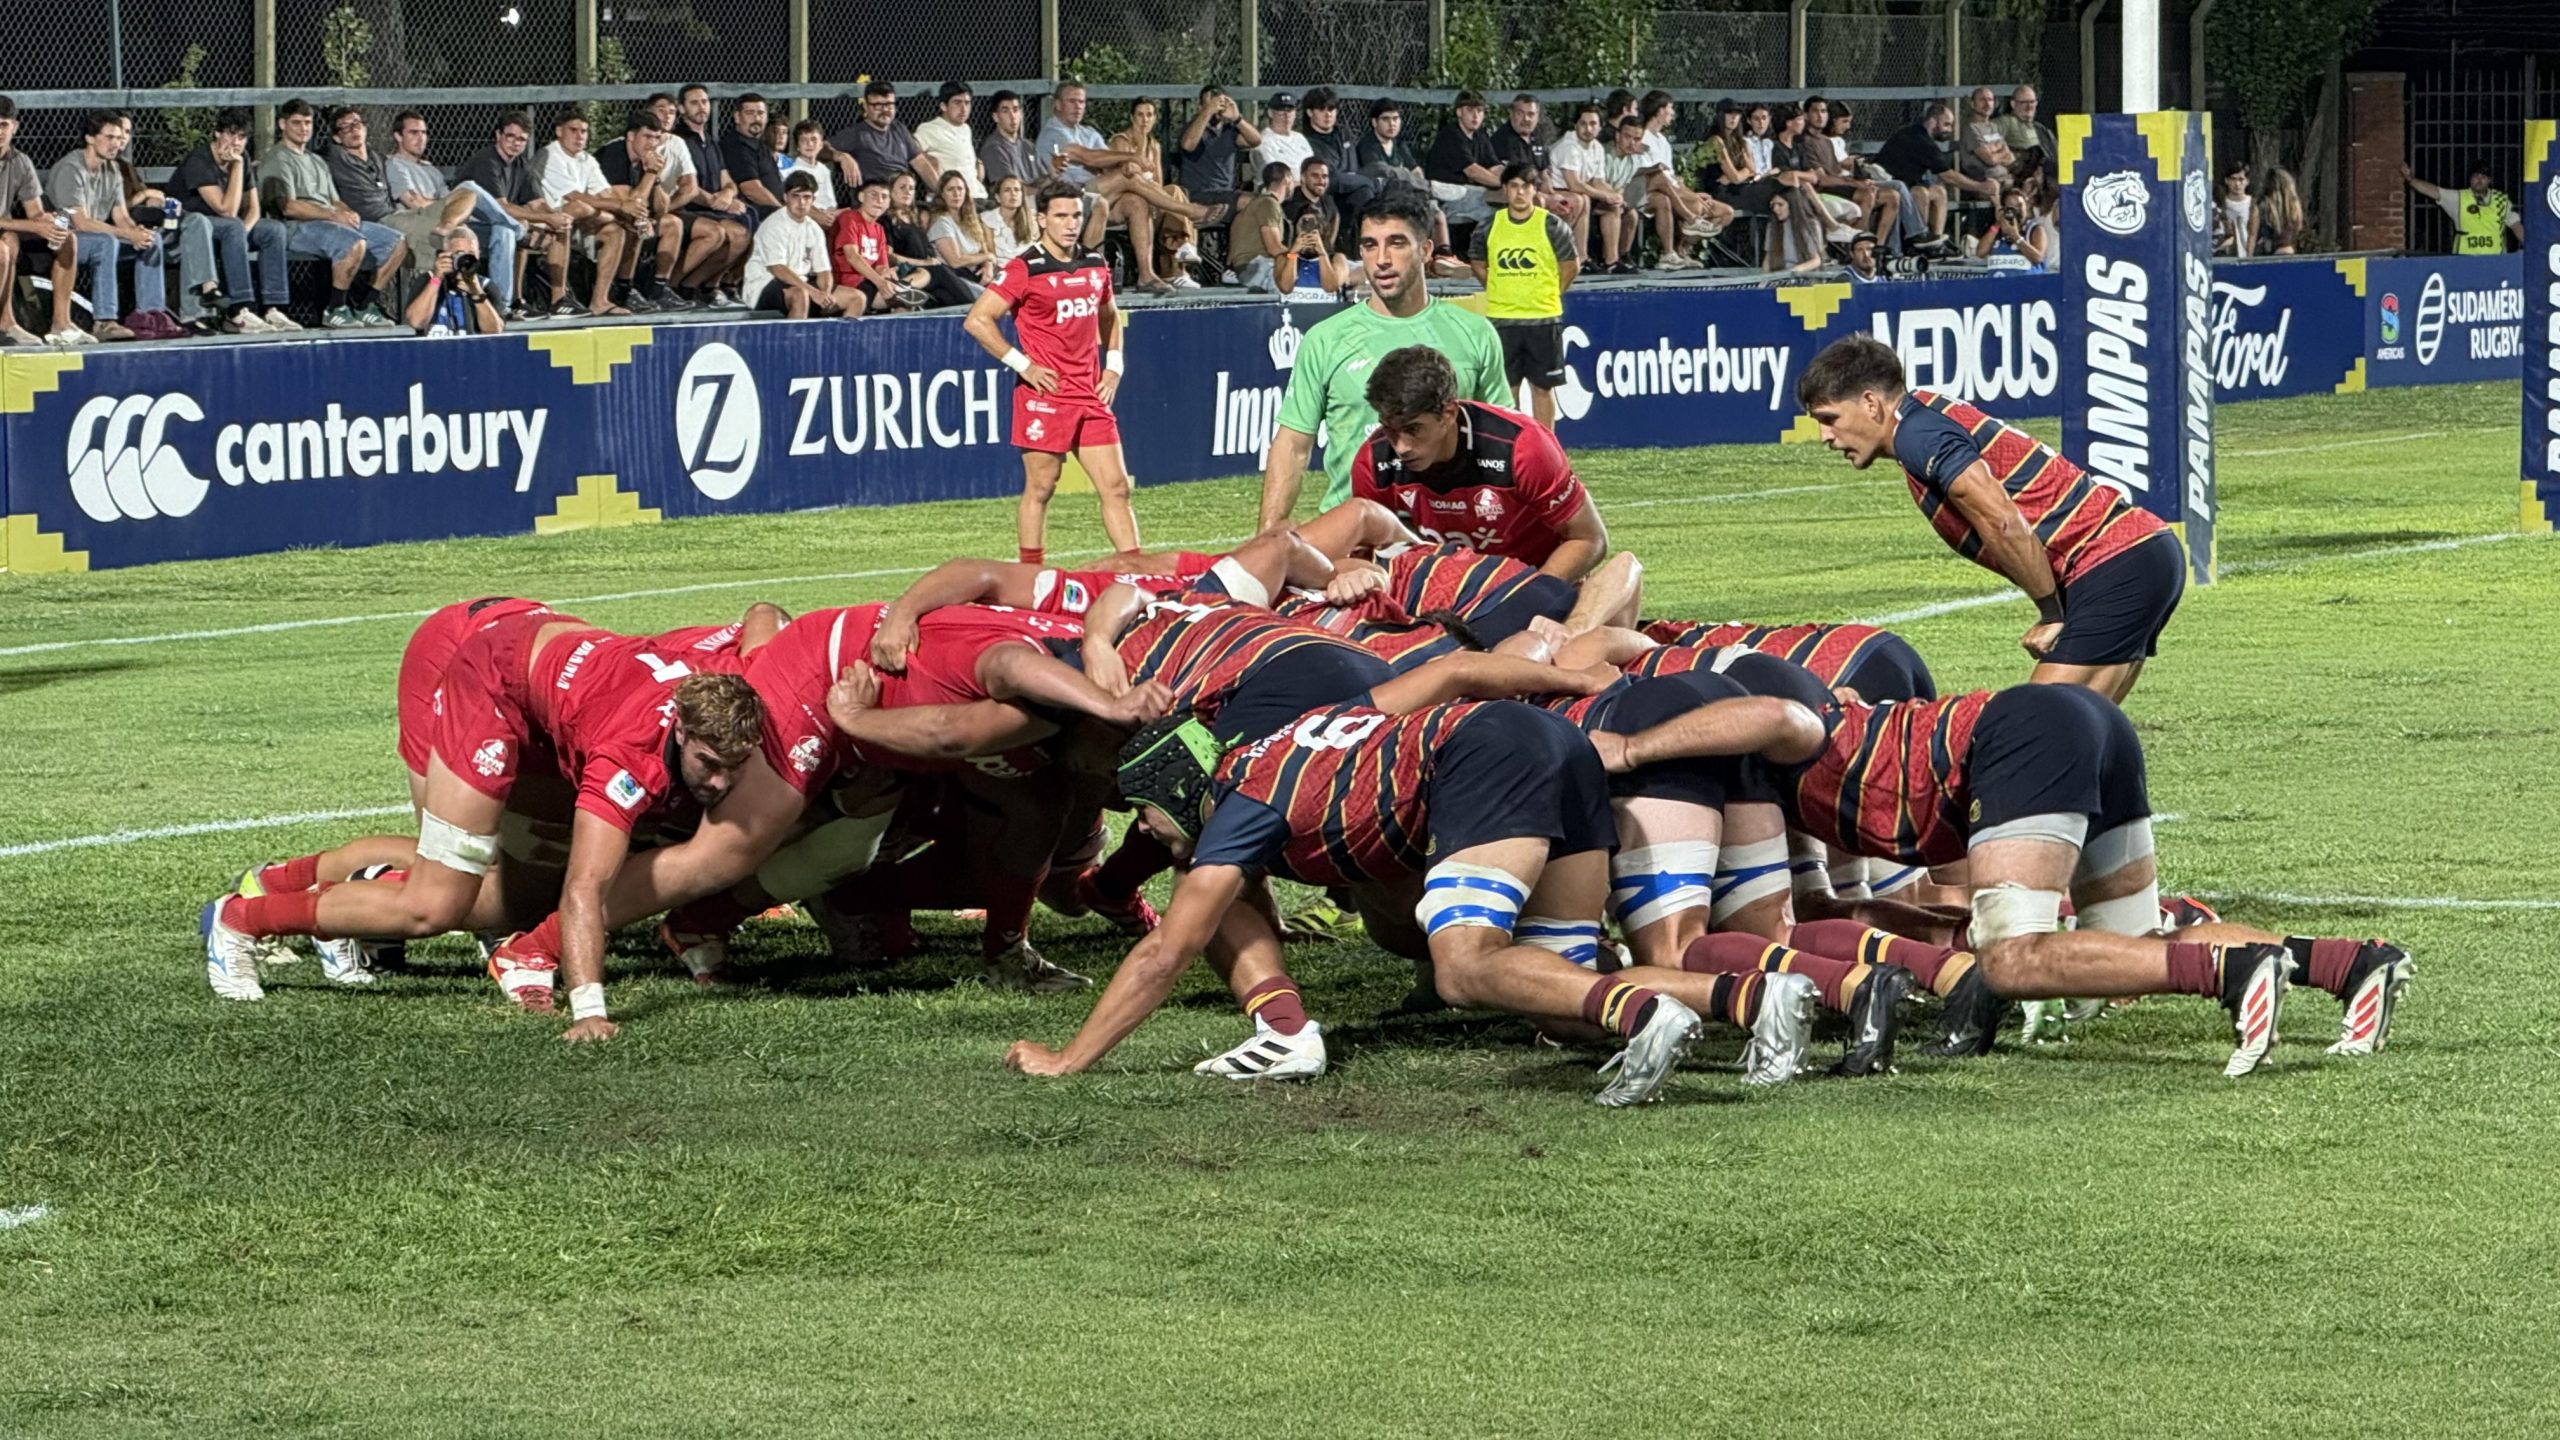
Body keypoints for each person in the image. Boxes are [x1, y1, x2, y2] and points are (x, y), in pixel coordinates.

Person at [1589, 681, 2413, 1075]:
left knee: (2013, 959)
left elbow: (1773, 713)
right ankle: (2349, 963)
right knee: (2129, 944)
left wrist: (1629, 750)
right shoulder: (1835, 760)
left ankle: (2233, 973)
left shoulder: (1798, 737)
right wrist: (1920, 930)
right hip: (2084, 724)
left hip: (2024, 733)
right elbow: (1828, 907)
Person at [1004, 700, 1716, 1106]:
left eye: (1145, 811)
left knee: (1464, 968)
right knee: (1565, 1009)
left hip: (1487, 753)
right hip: (1545, 736)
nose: (1145, 830)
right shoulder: (1270, 756)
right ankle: (1756, 996)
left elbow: (1167, 951)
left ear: (1179, 787)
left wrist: (1070, 1059)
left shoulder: (1243, 803)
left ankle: (1645, 1012)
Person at [203, 613, 768, 1041]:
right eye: (708, 764)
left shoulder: (742, 682)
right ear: (681, 732)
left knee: (523, 892)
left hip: (548, 667)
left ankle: (361, 889)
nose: (721, 782)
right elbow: (586, 888)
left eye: (734, 766)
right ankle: (243, 918)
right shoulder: (627, 759)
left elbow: (764, 613)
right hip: (490, 679)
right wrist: (589, 1011)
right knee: (435, 903)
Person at [1795, 335, 2182, 701]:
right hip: (2137, 554)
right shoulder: (1922, 413)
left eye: (1830, 418)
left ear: (1870, 403)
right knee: (2083, 731)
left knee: (2036, 729)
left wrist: (2051, 613)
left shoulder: (1917, 435)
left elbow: (2001, 521)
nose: (1825, 436)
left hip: (2114, 562)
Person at [1257, 188, 1511, 527]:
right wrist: (1268, 532)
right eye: (1369, 245)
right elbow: (1293, 445)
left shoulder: (1474, 333)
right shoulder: (1326, 339)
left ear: (1425, 250)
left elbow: (1503, 441)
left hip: (1452, 537)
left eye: (1397, 243)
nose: (1382, 259)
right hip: (1353, 537)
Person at [963, 178, 1139, 565]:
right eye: (1061, 216)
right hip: (1046, 396)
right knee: (1042, 487)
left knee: (1116, 487)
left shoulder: (1095, 264)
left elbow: (1110, 316)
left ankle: (1136, 570)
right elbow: (977, 320)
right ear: (1042, 219)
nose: (1071, 224)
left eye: (1076, 215)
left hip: (1090, 394)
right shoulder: (1024, 268)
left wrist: (1113, 367)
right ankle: (1031, 576)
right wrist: (1024, 365)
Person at [1351, 344, 1607, 580]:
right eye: (1389, 429)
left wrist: (1530, 595)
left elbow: (1588, 538)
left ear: (1448, 414)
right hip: (1443, 593)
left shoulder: (1522, 448)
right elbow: (1365, 555)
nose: (1401, 447)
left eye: (1413, 429)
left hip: (1532, 582)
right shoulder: (1373, 462)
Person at [260, 99, 405, 329]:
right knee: (353, 242)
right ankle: (335, 308)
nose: (303, 128)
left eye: (307, 123)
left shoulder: (316, 160)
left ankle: (366, 305)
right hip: (296, 227)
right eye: (296, 123)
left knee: (396, 242)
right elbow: (287, 207)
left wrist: (348, 213)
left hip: (328, 222)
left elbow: (334, 200)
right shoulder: (278, 158)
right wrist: (331, 214)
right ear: (282, 125)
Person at [386, 110, 531, 315]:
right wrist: (452, 203)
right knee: (469, 188)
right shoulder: (395, 165)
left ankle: (502, 307)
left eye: (424, 132)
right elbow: (414, 203)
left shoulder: (431, 170)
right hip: (422, 221)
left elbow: (453, 202)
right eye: (413, 133)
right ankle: (519, 229)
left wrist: (455, 205)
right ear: (398, 136)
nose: (421, 138)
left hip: (450, 221)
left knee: (503, 232)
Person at [1468, 162, 1579, 427]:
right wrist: (1498, 288)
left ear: (1534, 190)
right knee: (1507, 389)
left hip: (1543, 319)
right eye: (1514, 186)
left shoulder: (1551, 225)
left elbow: (1570, 266)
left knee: (1542, 388)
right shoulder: (1488, 226)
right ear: (1505, 190)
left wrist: (1551, 293)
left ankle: (1545, 444)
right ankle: (1512, 444)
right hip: (1502, 319)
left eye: (1526, 187)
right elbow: (1478, 263)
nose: (1520, 192)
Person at [47, 111, 173, 340]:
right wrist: (126, 233)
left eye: (118, 137)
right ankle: (104, 321)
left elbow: (121, 216)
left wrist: (136, 232)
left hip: (97, 237)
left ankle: (150, 316)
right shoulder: (71, 169)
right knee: (106, 242)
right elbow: (80, 222)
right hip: (65, 240)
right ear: (90, 138)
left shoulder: (112, 169)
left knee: (151, 239)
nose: (116, 143)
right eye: (109, 137)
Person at [169, 109, 295, 334]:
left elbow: (254, 209)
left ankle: (272, 309)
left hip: (228, 229)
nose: (236, 142)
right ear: (217, 134)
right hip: (193, 228)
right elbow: (226, 210)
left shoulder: (242, 156)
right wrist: (236, 167)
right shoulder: (199, 160)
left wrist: (242, 233)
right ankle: (238, 309)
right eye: (230, 134)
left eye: (241, 137)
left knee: (273, 230)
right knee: (232, 225)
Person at [324, 107, 476, 286]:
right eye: (345, 127)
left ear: (365, 128)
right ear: (337, 138)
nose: (353, 129)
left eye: (357, 124)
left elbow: (398, 161)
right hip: (379, 220)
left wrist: (420, 164)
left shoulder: (377, 158)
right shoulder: (337, 157)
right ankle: (463, 287)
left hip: (401, 215)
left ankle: (447, 226)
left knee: (468, 192)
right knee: (459, 238)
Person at [459, 111, 577, 319]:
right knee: (510, 227)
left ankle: (554, 301)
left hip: (499, 227)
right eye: (510, 136)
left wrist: (556, 218)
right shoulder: (487, 161)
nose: (515, 143)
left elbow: (538, 203)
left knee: (512, 230)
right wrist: (543, 220)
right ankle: (505, 306)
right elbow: (501, 207)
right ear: (498, 135)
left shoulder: (521, 164)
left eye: (521, 139)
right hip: (467, 229)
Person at [530, 111, 631, 317]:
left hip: (581, 222)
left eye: (584, 131)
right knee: (573, 212)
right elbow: (575, 198)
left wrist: (626, 211)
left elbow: (606, 194)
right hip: (546, 220)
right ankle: (558, 299)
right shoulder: (549, 155)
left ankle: (600, 301)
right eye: (574, 130)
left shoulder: (587, 160)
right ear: (559, 131)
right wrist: (619, 208)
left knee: (615, 231)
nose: (580, 136)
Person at [0, 95, 82, 346]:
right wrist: (34, 225)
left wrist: (50, 221)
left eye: (3, 125)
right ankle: (6, 323)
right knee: (5, 247)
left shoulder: (20, 161)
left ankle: (61, 324)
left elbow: (35, 212)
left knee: (67, 238)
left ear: (15, 127)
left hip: (5, 227)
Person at [593, 110, 693, 311]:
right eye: (647, 136)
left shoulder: (643, 159)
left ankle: (659, 290)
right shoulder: (615, 154)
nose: (652, 144)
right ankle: (624, 290)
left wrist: (655, 177)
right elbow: (628, 205)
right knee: (635, 224)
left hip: (625, 215)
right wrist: (651, 172)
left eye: (656, 138)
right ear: (631, 136)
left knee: (673, 223)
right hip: (598, 217)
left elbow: (662, 208)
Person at [667, 84, 752, 307]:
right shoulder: (678, 140)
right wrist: (716, 202)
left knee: (746, 230)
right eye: (694, 103)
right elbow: (684, 185)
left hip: (714, 209)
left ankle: (700, 287)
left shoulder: (711, 141)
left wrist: (727, 194)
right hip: (689, 208)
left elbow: (728, 180)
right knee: (726, 234)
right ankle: (668, 286)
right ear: (682, 108)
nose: (701, 107)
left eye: (704, 102)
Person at [745, 171, 856, 317]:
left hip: (801, 281)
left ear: (813, 199)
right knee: (800, 295)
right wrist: (813, 292)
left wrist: (825, 294)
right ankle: (796, 333)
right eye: (795, 196)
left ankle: (833, 334)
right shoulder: (774, 224)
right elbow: (777, 268)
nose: (801, 202)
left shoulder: (814, 228)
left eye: (806, 197)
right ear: (786, 197)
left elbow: (823, 270)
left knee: (856, 298)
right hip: (764, 283)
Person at [828, 174, 930, 311]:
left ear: (888, 203)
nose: (879, 200)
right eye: (874, 195)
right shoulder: (849, 218)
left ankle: (899, 290)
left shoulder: (879, 229)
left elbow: (881, 266)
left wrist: (887, 275)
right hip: (850, 283)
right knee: (901, 300)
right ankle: (899, 292)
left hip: (871, 281)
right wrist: (880, 282)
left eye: (884, 196)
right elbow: (852, 256)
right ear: (861, 197)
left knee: (906, 299)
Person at [1553, 103, 1629, 273]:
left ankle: (1612, 261)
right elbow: (1574, 184)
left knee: (1612, 205)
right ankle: (1582, 258)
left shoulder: (1597, 147)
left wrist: (1613, 195)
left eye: (1593, 124)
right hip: (1559, 192)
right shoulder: (1569, 147)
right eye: (1583, 123)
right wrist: (1603, 195)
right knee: (1585, 200)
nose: (1588, 129)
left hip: (1581, 192)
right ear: (1576, 125)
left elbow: (1598, 181)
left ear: (1600, 127)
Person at [401, 227, 504, 335]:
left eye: (471, 253)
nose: (466, 258)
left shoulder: (485, 286)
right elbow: (417, 322)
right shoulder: (428, 279)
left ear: (478, 255)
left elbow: (494, 330)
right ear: (446, 255)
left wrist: (477, 293)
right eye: (460, 253)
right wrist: (437, 279)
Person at [1175, 85, 1259, 214]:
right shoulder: (1193, 128)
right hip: (1199, 195)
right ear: (1200, 107)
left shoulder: (1229, 130)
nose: (1216, 109)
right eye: (1211, 104)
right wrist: (1207, 112)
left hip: (1226, 193)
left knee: (1263, 201)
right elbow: (1188, 144)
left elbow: (1255, 141)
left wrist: (1237, 118)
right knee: (1251, 202)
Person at [925, 169, 1001, 289]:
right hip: (957, 279)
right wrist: (989, 257)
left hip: (978, 274)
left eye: (960, 188)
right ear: (942, 195)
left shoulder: (971, 220)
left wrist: (988, 265)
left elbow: (984, 251)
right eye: (950, 189)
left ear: (966, 192)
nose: (956, 194)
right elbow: (956, 261)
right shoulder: (941, 222)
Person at [1225, 160, 1294, 293]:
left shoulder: (1256, 204)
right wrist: (1296, 258)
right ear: (1287, 180)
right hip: (1256, 269)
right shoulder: (1268, 204)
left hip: (1245, 268)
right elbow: (1274, 248)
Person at [913, 81, 982, 201]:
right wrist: (930, 162)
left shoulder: (966, 128)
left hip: (977, 196)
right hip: (950, 201)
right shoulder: (929, 129)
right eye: (957, 103)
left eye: (967, 103)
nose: (964, 109)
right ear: (943, 106)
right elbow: (910, 149)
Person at [775, 120, 844, 218]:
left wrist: (831, 213)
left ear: (821, 145)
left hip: (828, 215)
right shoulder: (791, 170)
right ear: (797, 146)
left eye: (814, 140)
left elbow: (831, 202)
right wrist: (819, 215)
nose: (810, 144)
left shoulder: (824, 170)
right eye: (804, 140)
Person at [979, 90, 1040, 192]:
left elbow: (1042, 178)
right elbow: (1009, 189)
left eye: (1015, 110)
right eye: (1005, 111)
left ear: (1021, 114)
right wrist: (1043, 194)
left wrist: (1054, 171)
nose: (1012, 116)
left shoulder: (1028, 145)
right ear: (995, 117)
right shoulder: (993, 148)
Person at [1252, 91, 1312, 184]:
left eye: (1290, 110)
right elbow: (1274, 177)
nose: (1286, 115)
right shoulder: (1264, 141)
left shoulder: (1299, 138)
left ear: (1295, 114)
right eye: (1281, 111)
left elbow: (1312, 167)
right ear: (1270, 113)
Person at [1762, 190, 1826, 274]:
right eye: (1773, 205)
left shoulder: (1810, 225)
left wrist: (1794, 271)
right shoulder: (1772, 226)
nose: (1775, 209)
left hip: (1804, 274)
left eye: (1780, 205)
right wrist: (1764, 277)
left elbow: (1816, 260)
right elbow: (1768, 258)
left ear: (1792, 205)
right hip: (1779, 274)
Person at [2213, 160, 2255, 257]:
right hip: (2226, 255)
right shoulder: (2220, 204)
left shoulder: (2252, 204)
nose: (2237, 184)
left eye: (2241, 179)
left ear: (2247, 181)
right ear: (2226, 181)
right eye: (2233, 179)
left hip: (2249, 255)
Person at [2260, 168, 2304, 254]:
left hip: (2268, 252)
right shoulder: (2294, 206)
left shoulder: (2263, 206)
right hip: (2289, 250)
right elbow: (2298, 227)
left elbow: (2253, 235)